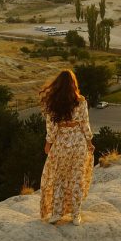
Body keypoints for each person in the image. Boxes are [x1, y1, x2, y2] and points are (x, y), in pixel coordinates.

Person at [39, 69, 94, 226]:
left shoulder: (53, 103)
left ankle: (57, 213)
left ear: (57, 85)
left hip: (62, 143)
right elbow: (85, 123)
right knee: (77, 178)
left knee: (59, 178)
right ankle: (75, 215)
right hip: (78, 142)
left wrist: (48, 143)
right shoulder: (81, 101)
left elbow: (51, 128)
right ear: (73, 84)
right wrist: (89, 142)